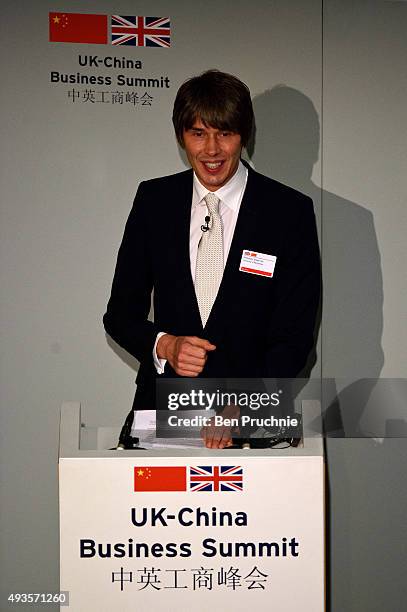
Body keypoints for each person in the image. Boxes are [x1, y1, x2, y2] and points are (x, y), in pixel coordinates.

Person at [103, 69, 320, 449]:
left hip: (254, 426)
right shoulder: (154, 201)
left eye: (225, 133)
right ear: (181, 136)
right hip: (164, 418)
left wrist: (244, 405)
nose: (212, 150)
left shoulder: (289, 212)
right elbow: (120, 315)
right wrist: (165, 345)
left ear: (245, 135)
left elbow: (295, 336)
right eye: (198, 134)